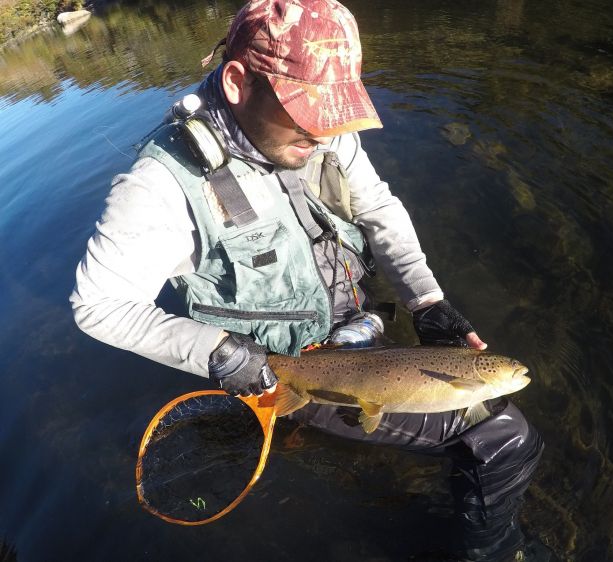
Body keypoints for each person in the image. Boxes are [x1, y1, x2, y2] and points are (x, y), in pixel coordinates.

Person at [70, 0, 543, 559]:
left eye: (333, 111)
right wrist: (220, 354)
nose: (324, 132)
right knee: (504, 439)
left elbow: (378, 208)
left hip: (350, 331)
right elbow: (98, 305)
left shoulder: (320, 130)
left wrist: (427, 301)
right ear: (238, 82)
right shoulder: (158, 189)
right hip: (279, 365)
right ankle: (493, 554)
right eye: (308, 112)